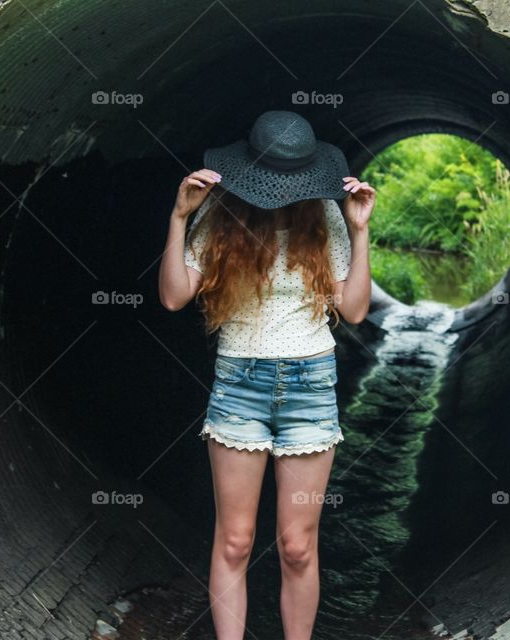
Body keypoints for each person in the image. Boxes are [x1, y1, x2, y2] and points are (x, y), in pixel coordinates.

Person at [158, 110, 375, 640]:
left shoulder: (325, 215)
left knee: (297, 546)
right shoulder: (221, 215)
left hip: (310, 388)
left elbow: (354, 310)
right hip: (239, 387)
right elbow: (172, 296)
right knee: (234, 540)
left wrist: (359, 229)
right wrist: (180, 216)